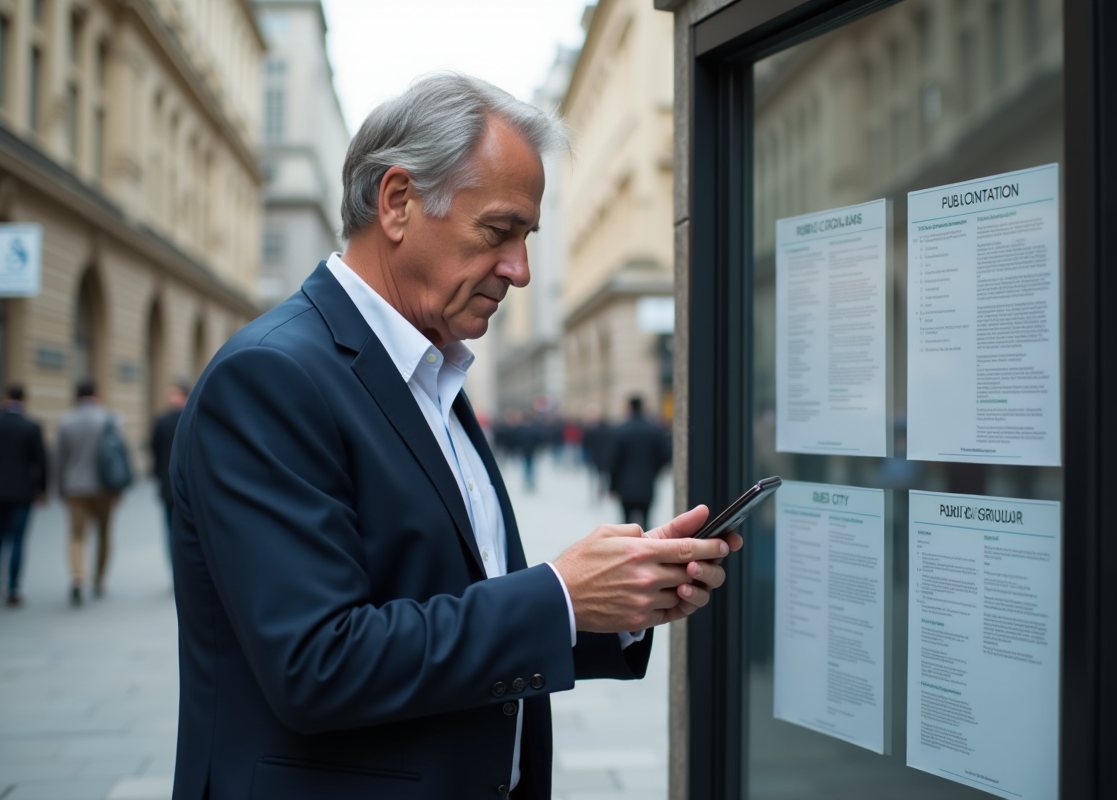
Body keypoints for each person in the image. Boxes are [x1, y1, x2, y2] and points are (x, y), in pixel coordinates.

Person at [169, 74, 739, 800]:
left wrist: (622, 603)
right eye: (499, 231)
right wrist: (560, 596)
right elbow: (317, 663)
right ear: (398, 202)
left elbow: (443, 601)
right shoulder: (271, 376)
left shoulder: (428, 372)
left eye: (528, 238)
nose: (521, 270)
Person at [57, 379, 123, 605]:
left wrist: (61, 489)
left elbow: (60, 460)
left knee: (76, 535)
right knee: (104, 534)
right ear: (96, 395)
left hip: (75, 488)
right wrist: (118, 488)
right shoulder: (108, 420)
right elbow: (117, 456)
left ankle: (77, 577)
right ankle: (99, 580)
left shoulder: (65, 422)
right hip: (104, 487)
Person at [0, 385, 47, 607]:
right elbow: (41, 461)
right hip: (21, 492)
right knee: (18, 540)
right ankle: (13, 588)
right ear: (24, 400)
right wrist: (42, 489)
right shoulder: (31, 426)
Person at [608, 395, 673, 528]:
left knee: (626, 524)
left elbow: (614, 461)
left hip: (625, 486)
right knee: (647, 523)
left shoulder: (620, 430)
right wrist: (654, 471)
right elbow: (665, 456)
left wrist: (612, 486)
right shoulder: (654, 430)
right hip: (647, 484)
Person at [151, 380, 189, 565]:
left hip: (169, 485)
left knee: (171, 529)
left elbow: (154, 451)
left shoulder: (162, 421)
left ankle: (176, 568)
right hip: (187, 485)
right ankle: (180, 567)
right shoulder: (193, 417)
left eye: (174, 393)